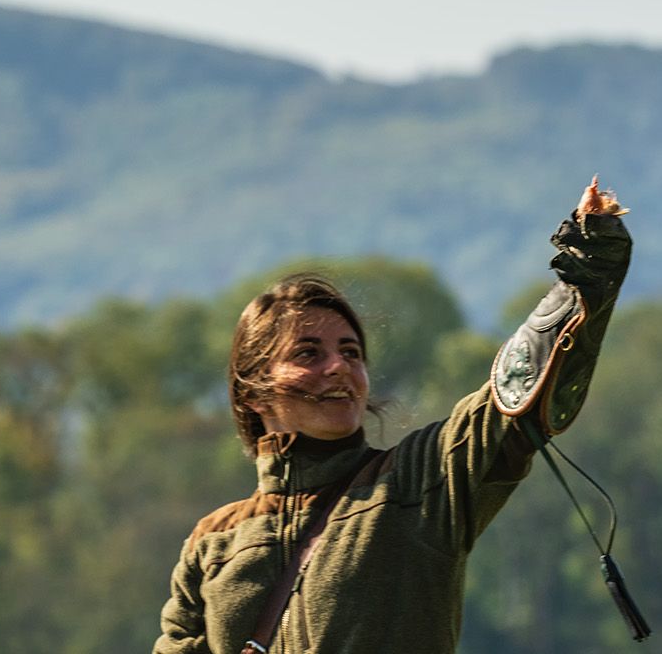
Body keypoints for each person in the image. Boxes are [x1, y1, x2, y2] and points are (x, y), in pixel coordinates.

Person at [152, 179, 631, 654]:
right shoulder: (213, 541)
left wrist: (591, 261)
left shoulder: (417, 480)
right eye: (307, 352)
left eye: (351, 351)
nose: (338, 366)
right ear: (254, 389)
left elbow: (514, 393)